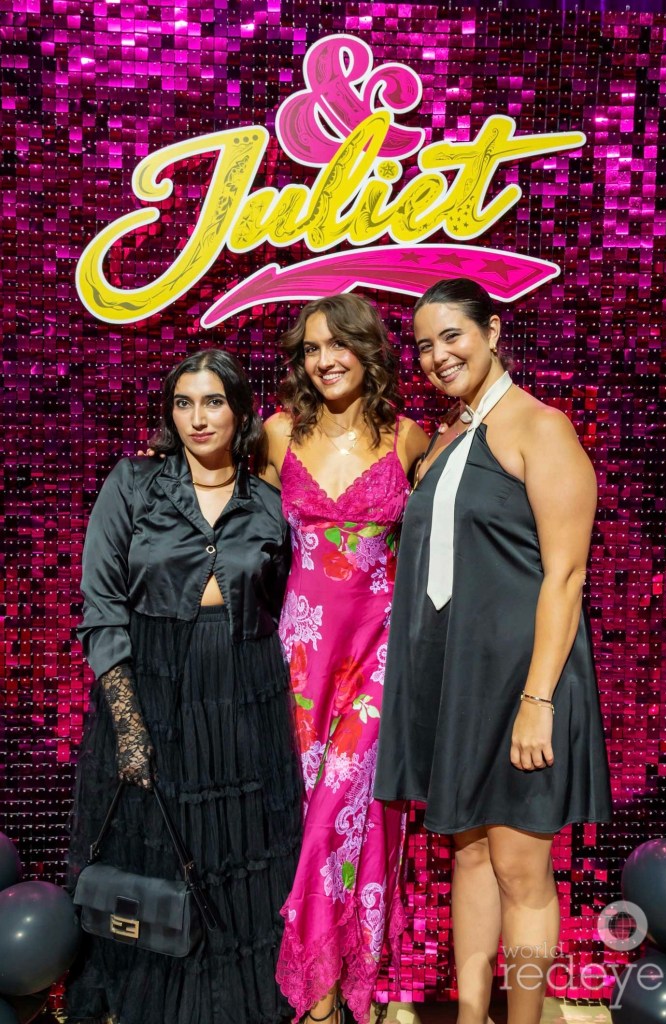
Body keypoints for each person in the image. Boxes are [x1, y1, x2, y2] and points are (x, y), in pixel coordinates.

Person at [374, 279, 612, 1024]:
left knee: (520, 870)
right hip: (457, 683)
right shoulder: (444, 437)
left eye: (452, 336)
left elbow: (565, 576)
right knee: (469, 854)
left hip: (521, 681)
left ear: (492, 331)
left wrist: (537, 701)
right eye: (424, 345)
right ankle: (472, 1016)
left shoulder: (540, 427)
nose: (437, 356)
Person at [67, 349, 302, 1024]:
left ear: (239, 411)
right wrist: (127, 724)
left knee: (236, 851)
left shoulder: (268, 502)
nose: (198, 418)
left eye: (213, 402)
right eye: (183, 403)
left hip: (244, 690)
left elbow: (286, 605)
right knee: (156, 851)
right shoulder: (133, 483)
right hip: (152, 684)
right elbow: (101, 605)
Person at [262, 294, 429, 1024]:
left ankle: (326, 995)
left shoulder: (408, 438)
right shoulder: (277, 434)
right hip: (299, 659)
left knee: (345, 808)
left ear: (368, 351)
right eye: (311, 349)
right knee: (307, 815)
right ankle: (321, 985)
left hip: (378, 658)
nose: (324, 360)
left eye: (338, 345)